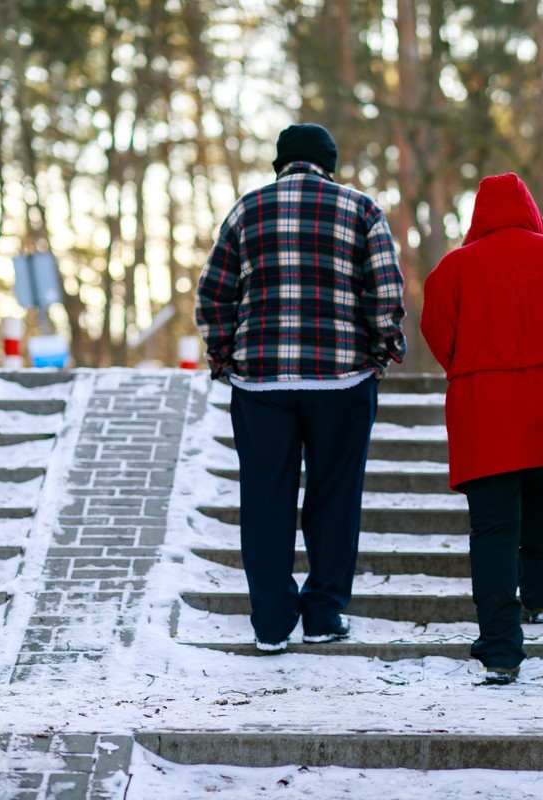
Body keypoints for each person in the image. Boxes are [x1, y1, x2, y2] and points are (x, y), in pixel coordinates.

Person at [196, 123, 406, 652]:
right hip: (342, 378)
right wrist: (382, 351)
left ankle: (270, 624)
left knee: (264, 497)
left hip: (261, 380)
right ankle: (323, 616)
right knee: (335, 496)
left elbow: (213, 292)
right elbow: (385, 291)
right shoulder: (361, 209)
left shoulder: (247, 210)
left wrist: (224, 353)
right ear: (329, 165)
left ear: (280, 163)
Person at [421, 173, 543, 685]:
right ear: (528, 207)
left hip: (486, 410)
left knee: (494, 527)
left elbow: (438, 333)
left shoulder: (453, 268)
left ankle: (501, 647)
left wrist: (471, 367)